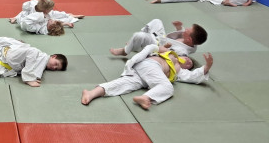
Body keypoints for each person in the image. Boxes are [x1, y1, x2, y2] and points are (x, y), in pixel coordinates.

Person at [82, 44, 213, 109]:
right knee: (168, 87)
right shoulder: (171, 54)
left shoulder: (180, 72)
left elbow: (194, 77)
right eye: (188, 59)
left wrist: (207, 67)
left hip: (143, 78)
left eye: (190, 65)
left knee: (120, 85)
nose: (188, 62)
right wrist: (163, 47)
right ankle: (145, 97)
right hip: (150, 65)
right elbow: (153, 47)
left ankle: (91, 93)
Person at [110, 19, 207, 57]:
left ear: (189, 40)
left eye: (188, 30)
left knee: (138, 35)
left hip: (156, 45)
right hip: (161, 37)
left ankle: (125, 51)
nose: (186, 29)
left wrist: (166, 47)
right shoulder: (189, 40)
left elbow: (169, 55)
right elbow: (180, 33)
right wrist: (178, 27)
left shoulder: (182, 50)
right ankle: (136, 44)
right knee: (157, 21)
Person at [9, 0, 84, 36]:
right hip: (25, 18)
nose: (51, 20)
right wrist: (66, 23)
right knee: (22, 14)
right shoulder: (33, 7)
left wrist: (43, 16)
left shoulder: (45, 20)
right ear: (45, 10)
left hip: (31, 19)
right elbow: (25, 18)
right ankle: (15, 18)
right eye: (50, 8)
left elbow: (55, 23)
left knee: (55, 14)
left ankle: (69, 15)